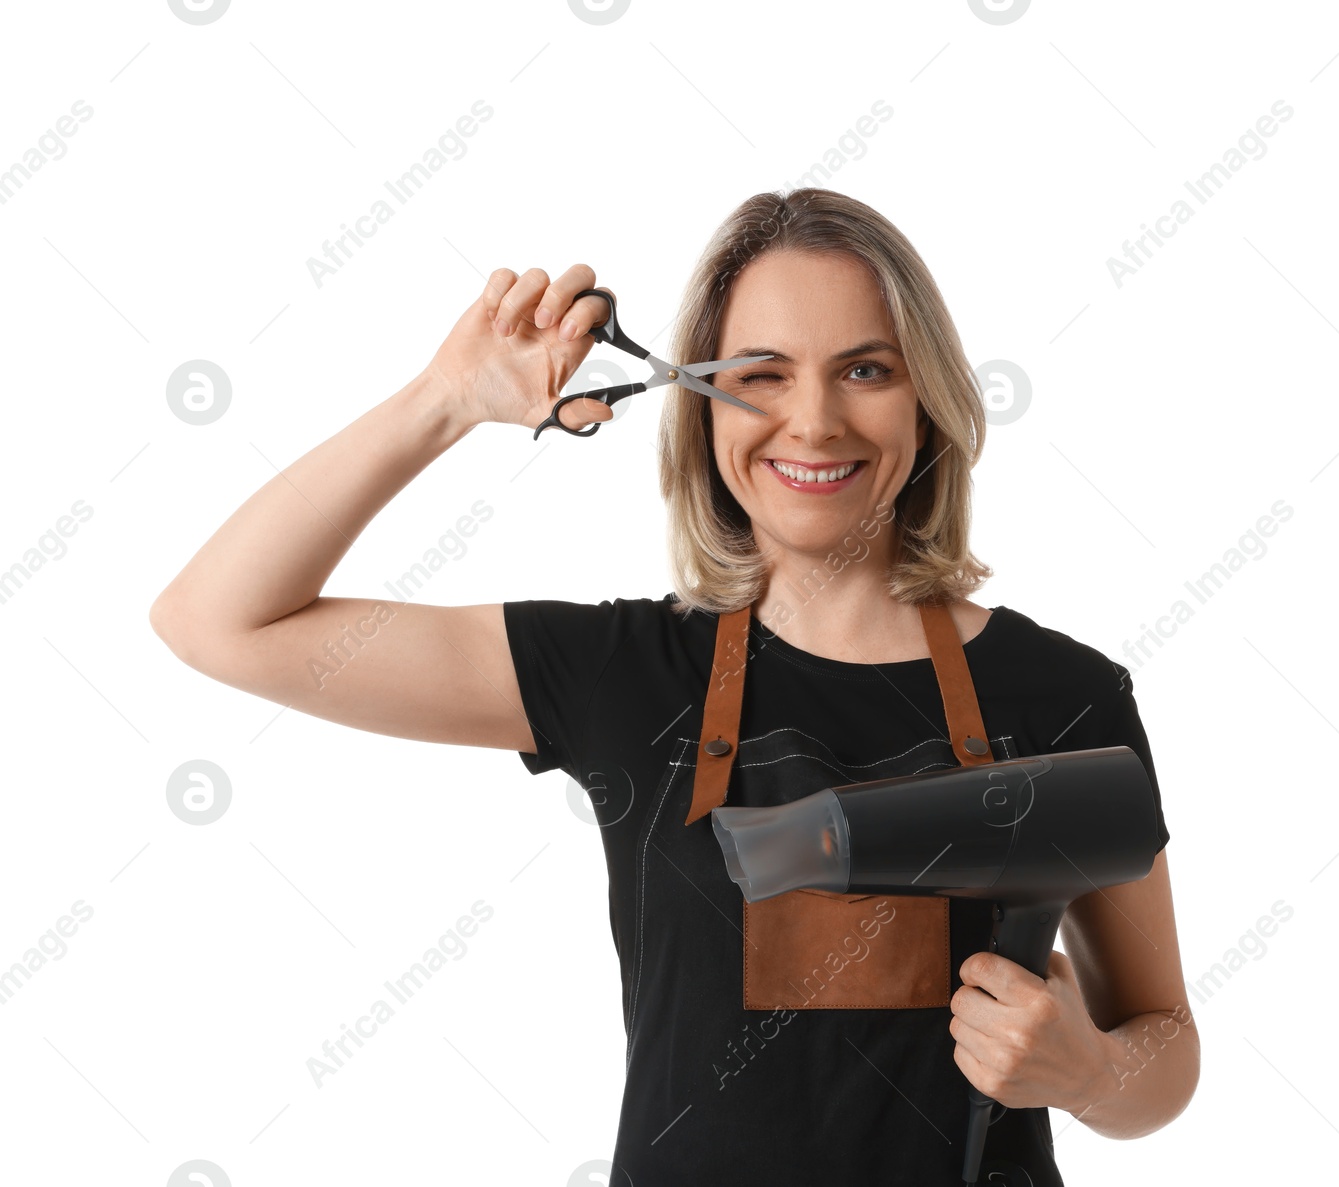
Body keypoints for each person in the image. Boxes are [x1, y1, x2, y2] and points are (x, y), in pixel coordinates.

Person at [150, 187, 1198, 1185]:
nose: (814, 420)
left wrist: (1093, 1074)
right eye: (761, 372)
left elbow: (1165, 1040)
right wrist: (447, 402)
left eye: (866, 369)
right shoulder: (619, 674)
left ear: (927, 397)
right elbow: (218, 621)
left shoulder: (1066, 695)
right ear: (698, 406)